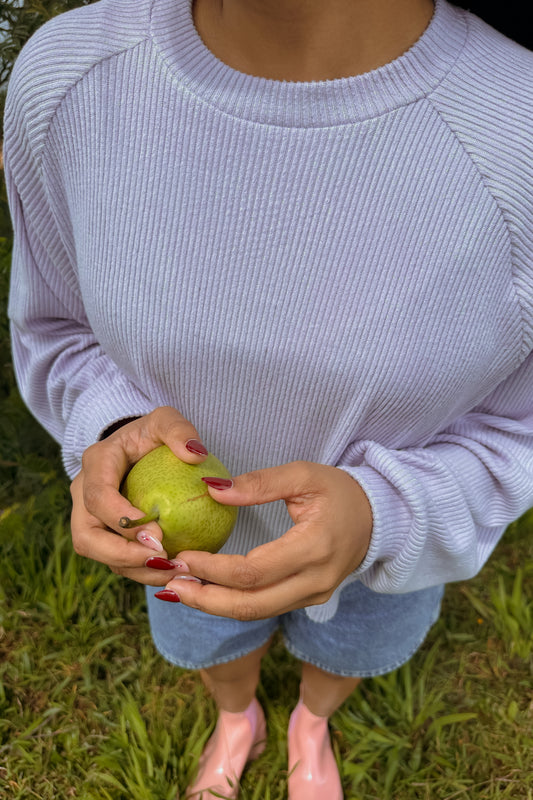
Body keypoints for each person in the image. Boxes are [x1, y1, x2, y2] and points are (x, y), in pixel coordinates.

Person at [4, 0, 533, 797]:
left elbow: (518, 430)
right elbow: (57, 330)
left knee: (347, 651)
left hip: (385, 562)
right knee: (214, 646)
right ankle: (237, 719)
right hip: (171, 544)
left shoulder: (514, 129)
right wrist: (113, 427)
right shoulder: (70, 78)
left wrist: (385, 516)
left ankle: (309, 727)